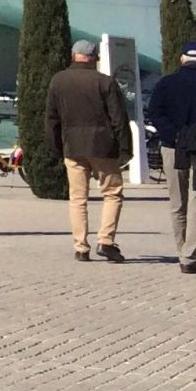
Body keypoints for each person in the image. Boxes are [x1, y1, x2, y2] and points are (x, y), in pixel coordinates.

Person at [45, 37, 132, 263]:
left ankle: (81, 247)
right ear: (94, 58)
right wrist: (125, 148)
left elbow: (52, 118)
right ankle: (106, 241)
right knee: (112, 193)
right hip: (103, 146)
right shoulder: (105, 82)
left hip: (72, 146)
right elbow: (119, 118)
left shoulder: (58, 80)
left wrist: (56, 147)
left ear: (73, 56)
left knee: (77, 198)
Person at [145, 40, 196, 274]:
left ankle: (183, 251)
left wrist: (175, 135)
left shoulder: (166, 83)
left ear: (182, 59)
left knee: (178, 203)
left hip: (172, 146)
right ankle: (189, 256)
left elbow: (155, 112)